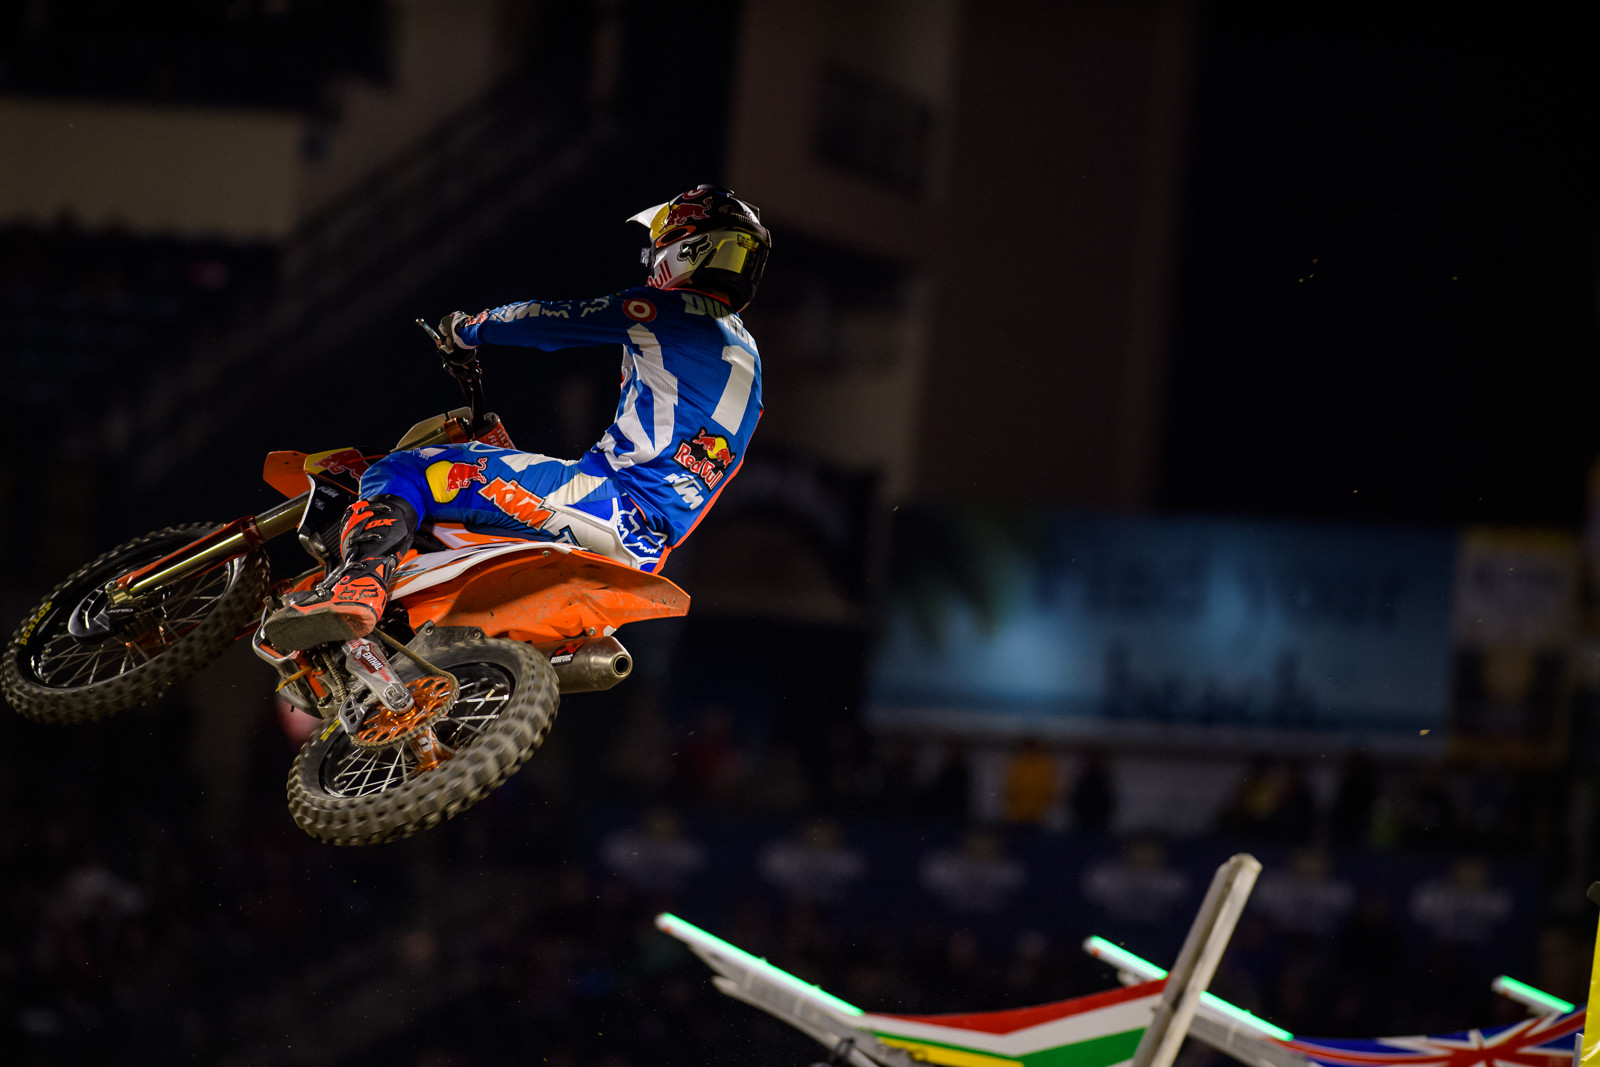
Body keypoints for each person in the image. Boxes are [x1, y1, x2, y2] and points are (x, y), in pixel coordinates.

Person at [263, 184, 771, 651]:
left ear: (684, 247)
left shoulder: (670, 312)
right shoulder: (750, 369)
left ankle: (358, 587)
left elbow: (546, 321)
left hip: (602, 501)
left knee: (403, 471)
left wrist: (467, 330)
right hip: (648, 551)